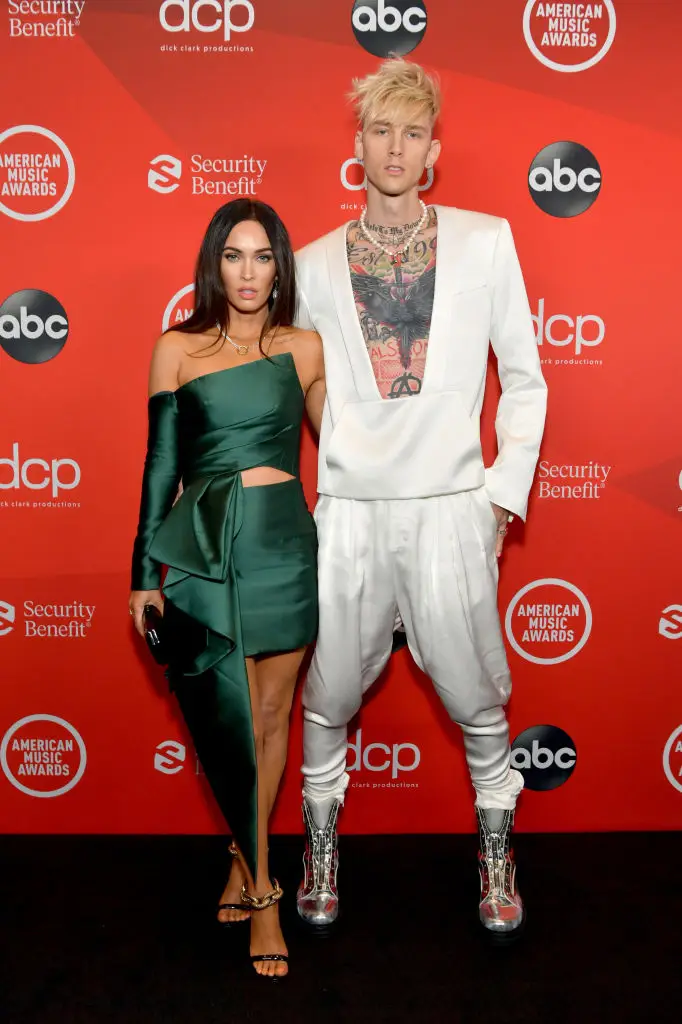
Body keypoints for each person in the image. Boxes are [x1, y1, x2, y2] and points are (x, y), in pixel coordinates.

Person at [294, 59, 547, 938]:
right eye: (379, 130)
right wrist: (340, 462)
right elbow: (298, 386)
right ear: (358, 143)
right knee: (326, 694)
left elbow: (525, 379)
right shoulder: (311, 263)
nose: (393, 147)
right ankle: (319, 849)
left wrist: (497, 500)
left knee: (479, 698)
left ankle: (496, 853)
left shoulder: (487, 240)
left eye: (410, 132)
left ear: (432, 151)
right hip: (352, 512)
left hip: (452, 507)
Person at [129, 199, 324, 979]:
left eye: (263, 256)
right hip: (209, 553)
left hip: (284, 545)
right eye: (234, 256)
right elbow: (159, 468)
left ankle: (245, 860)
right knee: (233, 720)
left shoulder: (305, 348)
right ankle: (266, 891)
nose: (248, 272)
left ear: (281, 266)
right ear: (214, 265)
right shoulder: (176, 349)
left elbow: (348, 448)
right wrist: (145, 574)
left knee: (274, 714)